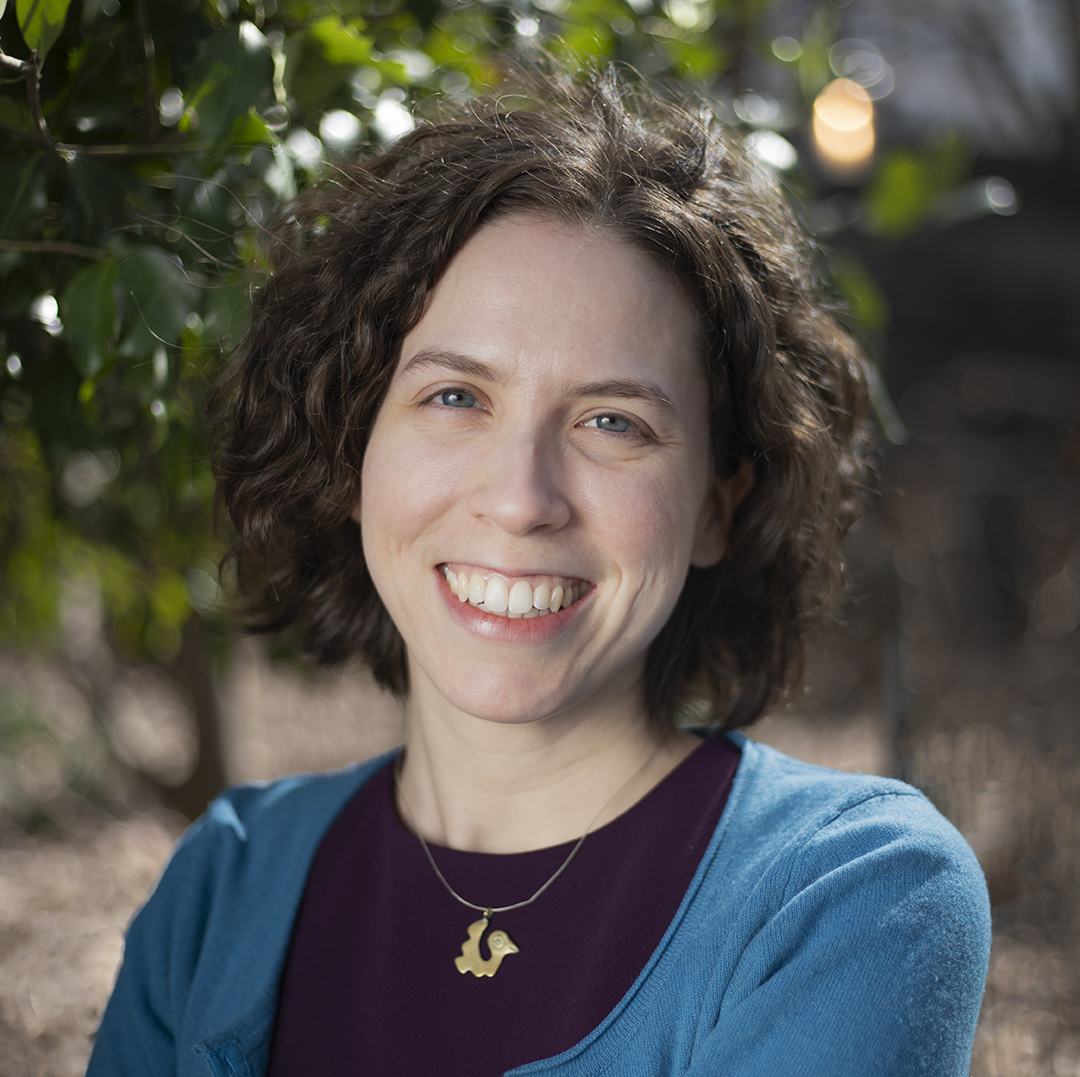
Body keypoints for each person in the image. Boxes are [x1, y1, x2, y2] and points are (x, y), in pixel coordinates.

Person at [87, 62, 990, 1077]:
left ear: (716, 506)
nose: (520, 500)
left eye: (614, 422)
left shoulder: (847, 897)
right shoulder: (224, 886)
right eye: (454, 398)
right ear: (350, 451)